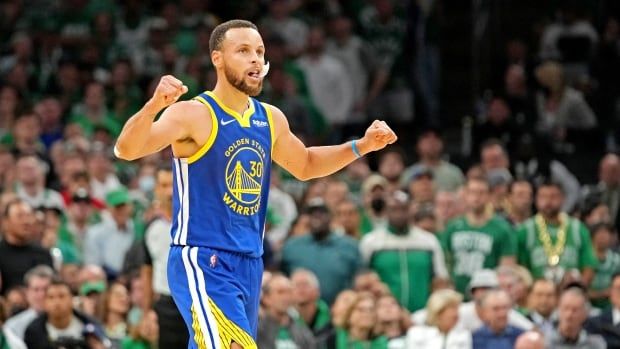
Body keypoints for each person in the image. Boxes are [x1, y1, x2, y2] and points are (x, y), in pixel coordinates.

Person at [114, 19, 397, 349]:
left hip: (249, 261)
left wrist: (361, 146)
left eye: (260, 52)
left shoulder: (270, 118)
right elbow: (126, 149)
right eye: (243, 51)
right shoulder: (193, 114)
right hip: (204, 258)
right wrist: (154, 106)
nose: (255, 59)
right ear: (217, 58)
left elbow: (305, 164)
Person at [406, 289, 472, 349]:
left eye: (457, 308)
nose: (456, 314)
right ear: (439, 312)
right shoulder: (416, 334)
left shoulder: (463, 335)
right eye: (452, 308)